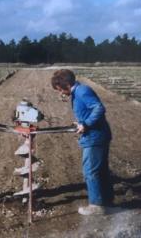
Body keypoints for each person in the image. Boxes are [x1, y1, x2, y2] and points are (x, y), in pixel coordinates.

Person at [51, 69, 114, 215]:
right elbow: (88, 110)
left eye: (59, 89)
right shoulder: (78, 92)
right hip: (97, 134)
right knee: (101, 170)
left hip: (95, 136)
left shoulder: (82, 91)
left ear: (66, 84)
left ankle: (97, 206)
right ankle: (107, 202)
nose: (60, 92)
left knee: (90, 170)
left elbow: (99, 108)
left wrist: (85, 124)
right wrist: (80, 122)